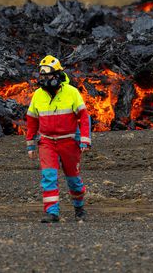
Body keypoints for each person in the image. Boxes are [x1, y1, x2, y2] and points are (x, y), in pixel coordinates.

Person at [25, 55, 91, 223]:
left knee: (73, 179)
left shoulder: (71, 92)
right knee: (48, 176)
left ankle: (79, 207)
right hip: (46, 141)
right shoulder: (38, 95)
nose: (45, 79)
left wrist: (85, 139)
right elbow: (32, 120)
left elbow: (84, 117)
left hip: (69, 141)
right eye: (42, 76)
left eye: (48, 75)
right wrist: (31, 144)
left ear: (58, 75)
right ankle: (52, 212)